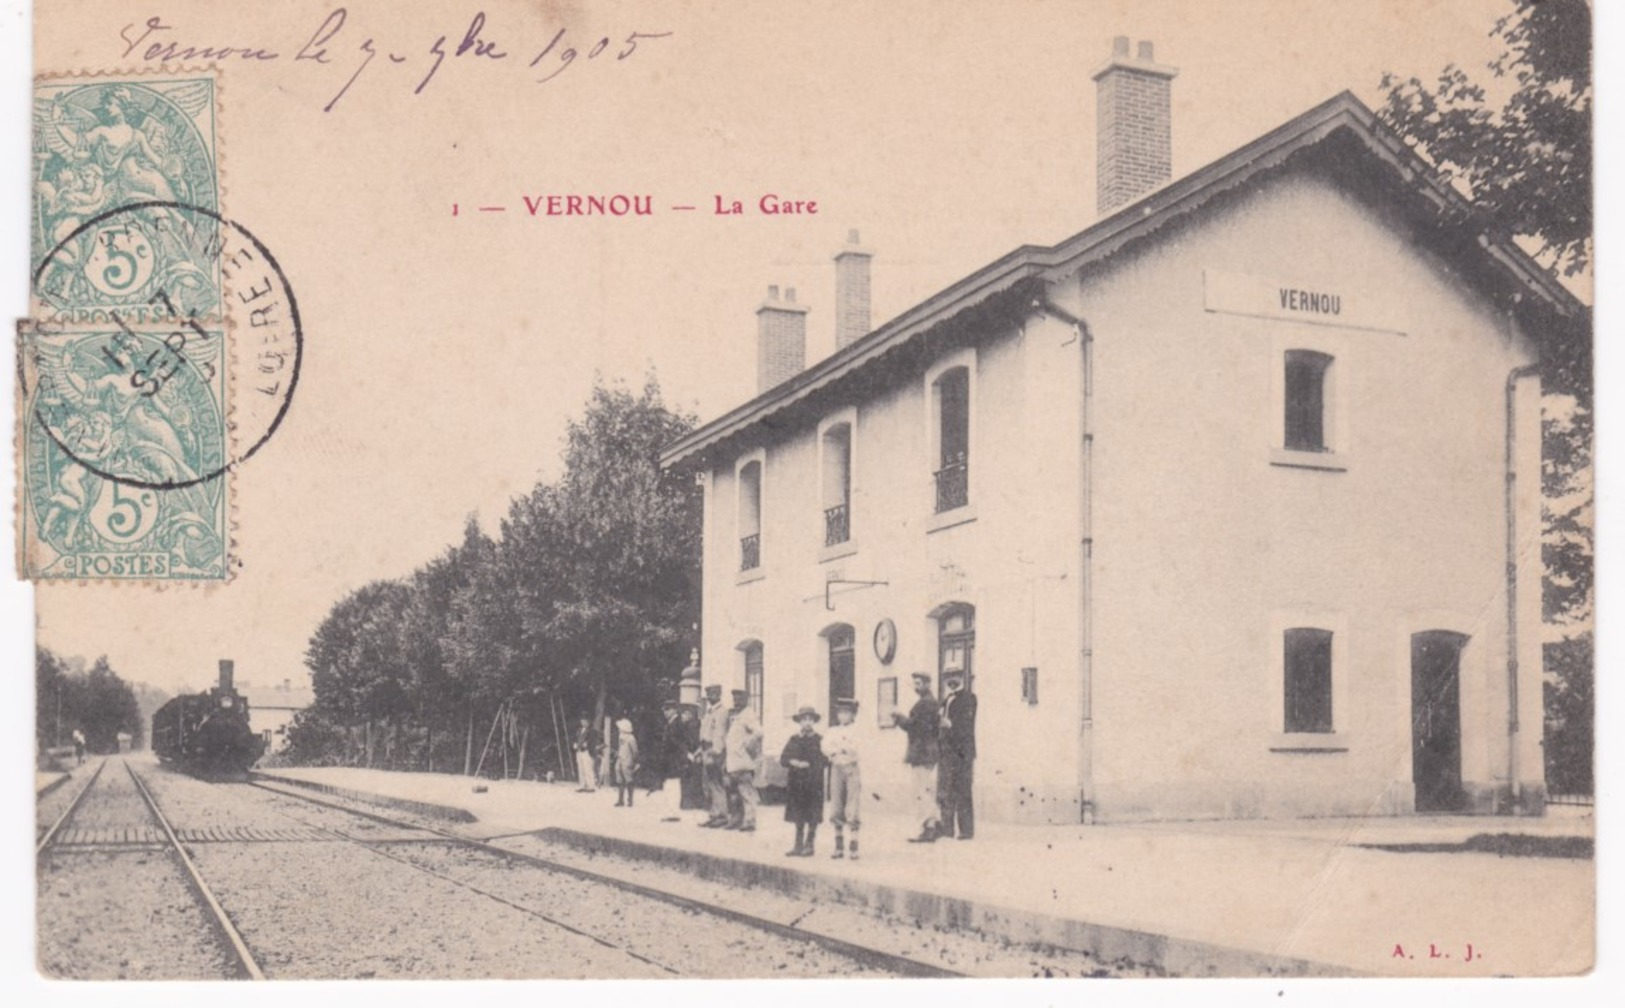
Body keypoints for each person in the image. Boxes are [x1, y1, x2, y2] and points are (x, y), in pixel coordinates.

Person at [891, 672, 942, 843]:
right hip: (927, 752)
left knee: (921, 792)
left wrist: (898, 718)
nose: (916, 686)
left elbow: (915, 727)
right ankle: (932, 824)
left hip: (921, 752)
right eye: (914, 683)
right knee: (925, 789)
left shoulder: (925, 704)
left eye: (919, 683)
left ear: (927, 684)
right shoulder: (930, 702)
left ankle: (928, 828)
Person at [780, 706, 827, 856]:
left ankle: (810, 844)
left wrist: (810, 764)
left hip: (813, 782)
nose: (807, 723)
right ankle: (798, 844)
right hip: (796, 782)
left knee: (812, 813)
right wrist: (793, 762)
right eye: (803, 720)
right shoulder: (794, 739)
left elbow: (825, 759)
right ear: (799, 722)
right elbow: (783, 758)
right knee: (798, 814)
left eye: (810, 720)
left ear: (814, 722)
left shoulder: (819, 740)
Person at [937, 671, 978, 840]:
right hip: (946, 751)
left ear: (961, 678)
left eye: (955, 676)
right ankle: (947, 828)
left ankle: (966, 830)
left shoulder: (969, 698)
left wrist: (950, 724)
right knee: (946, 789)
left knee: (963, 789)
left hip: (962, 752)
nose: (951, 680)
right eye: (948, 677)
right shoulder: (945, 700)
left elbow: (967, 724)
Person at [824, 697, 862, 860]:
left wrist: (843, 748)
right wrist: (836, 751)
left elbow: (856, 749)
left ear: (853, 715)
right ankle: (838, 845)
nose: (842, 716)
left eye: (846, 713)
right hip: (837, 768)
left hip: (851, 769)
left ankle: (853, 845)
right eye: (840, 712)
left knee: (852, 804)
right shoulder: (833, 731)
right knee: (836, 804)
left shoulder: (857, 730)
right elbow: (826, 746)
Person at [723, 688, 762, 831]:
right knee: (734, 793)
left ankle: (750, 822)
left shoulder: (748, 715)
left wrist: (746, 746)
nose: (736, 702)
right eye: (735, 699)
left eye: (739, 699)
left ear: (746, 700)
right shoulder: (737, 716)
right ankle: (737, 820)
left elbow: (759, 732)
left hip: (743, 761)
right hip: (733, 762)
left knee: (747, 793)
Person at [697, 684, 731, 827]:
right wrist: (700, 749)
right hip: (706, 749)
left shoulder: (722, 712)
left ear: (719, 695)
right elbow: (705, 731)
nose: (710, 697)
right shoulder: (709, 712)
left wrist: (716, 752)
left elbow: (720, 733)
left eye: (713, 694)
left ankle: (721, 815)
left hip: (714, 751)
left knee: (717, 784)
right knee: (709, 784)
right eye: (709, 694)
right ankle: (713, 814)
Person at [677, 703, 706, 810]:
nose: (682, 716)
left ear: (691, 714)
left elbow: (699, 741)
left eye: (684, 713)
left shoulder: (694, 727)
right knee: (689, 779)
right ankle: (690, 802)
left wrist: (695, 753)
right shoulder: (686, 726)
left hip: (695, 756)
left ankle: (692, 802)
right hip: (689, 755)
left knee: (694, 779)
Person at [613, 718, 640, 808]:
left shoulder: (631, 738)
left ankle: (630, 800)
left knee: (629, 779)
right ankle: (620, 800)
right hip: (620, 759)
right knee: (619, 779)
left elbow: (635, 751)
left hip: (628, 761)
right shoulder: (620, 736)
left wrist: (635, 761)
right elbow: (621, 748)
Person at [571, 716, 600, 792]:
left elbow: (593, 742)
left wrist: (587, 745)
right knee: (581, 769)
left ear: (589, 722)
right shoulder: (579, 730)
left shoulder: (592, 731)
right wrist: (575, 743)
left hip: (587, 752)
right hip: (579, 751)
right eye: (582, 721)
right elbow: (575, 738)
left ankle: (591, 786)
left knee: (588, 769)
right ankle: (582, 785)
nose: (583, 722)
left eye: (585, 721)